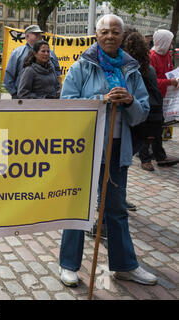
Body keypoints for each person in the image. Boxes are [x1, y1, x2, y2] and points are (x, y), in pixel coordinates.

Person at [58, 14, 157, 287]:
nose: (110, 36)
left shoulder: (131, 69)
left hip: (117, 150)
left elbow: (141, 114)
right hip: (86, 150)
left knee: (116, 209)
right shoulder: (81, 67)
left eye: (115, 32)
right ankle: (68, 265)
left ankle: (124, 265)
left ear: (121, 36)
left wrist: (128, 101)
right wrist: (99, 100)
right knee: (78, 207)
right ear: (96, 34)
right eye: (105, 31)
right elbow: (67, 106)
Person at [145, 29, 179, 168]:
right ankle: (145, 158)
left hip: (163, 97)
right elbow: (152, 81)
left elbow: (168, 74)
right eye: (170, 42)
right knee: (149, 128)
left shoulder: (166, 55)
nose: (171, 45)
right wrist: (170, 82)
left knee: (158, 127)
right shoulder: (151, 56)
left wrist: (175, 80)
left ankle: (159, 156)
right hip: (151, 97)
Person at [4, 25, 61, 99]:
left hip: (50, 101)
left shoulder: (51, 54)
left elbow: (57, 74)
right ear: (27, 36)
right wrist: (15, 94)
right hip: (23, 100)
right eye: (36, 34)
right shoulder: (17, 53)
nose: (39, 36)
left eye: (40, 34)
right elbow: (9, 76)